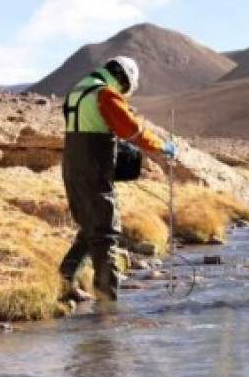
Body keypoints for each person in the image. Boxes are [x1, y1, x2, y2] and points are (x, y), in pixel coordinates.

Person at [58, 56, 177, 301]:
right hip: (94, 173)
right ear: (122, 77)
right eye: (125, 87)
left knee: (90, 229)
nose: (123, 92)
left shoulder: (78, 90)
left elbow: (89, 127)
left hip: (73, 170)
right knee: (106, 232)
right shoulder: (104, 94)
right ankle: (107, 303)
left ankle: (63, 282)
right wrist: (162, 147)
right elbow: (132, 130)